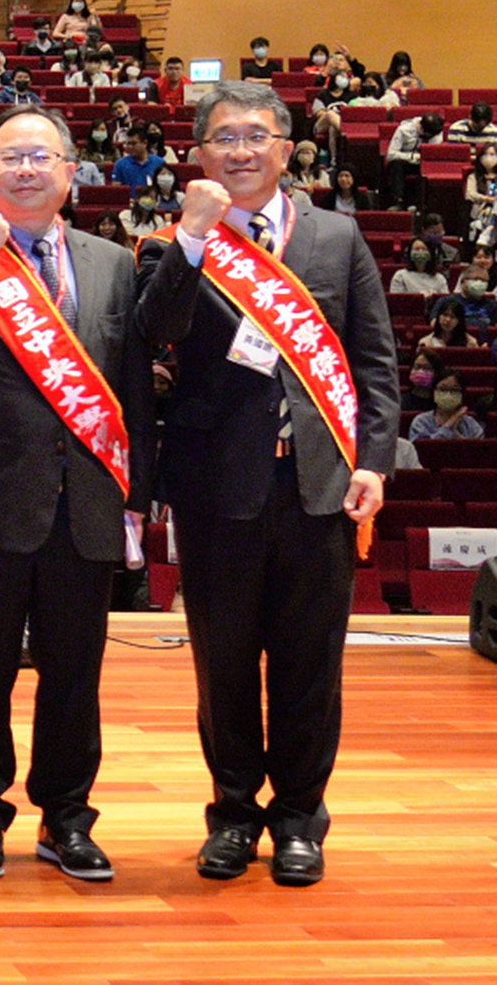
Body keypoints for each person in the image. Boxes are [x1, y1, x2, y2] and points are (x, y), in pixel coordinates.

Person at [134, 80, 396, 889]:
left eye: (255, 137)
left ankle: (298, 821)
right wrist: (194, 239)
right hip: (219, 486)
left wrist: (373, 461)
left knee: (310, 663)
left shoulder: (337, 236)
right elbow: (153, 332)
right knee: (224, 661)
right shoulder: (175, 240)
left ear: (286, 150)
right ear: (200, 156)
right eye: (223, 139)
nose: (240, 151)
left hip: (318, 487)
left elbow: (374, 362)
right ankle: (235, 814)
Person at [0, 104, 153, 884]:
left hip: (84, 502)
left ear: (70, 172)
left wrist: (137, 496)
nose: (24, 168)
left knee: (75, 671)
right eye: (8, 157)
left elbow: (132, 392)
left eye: (40, 156)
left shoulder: (113, 262)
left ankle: (67, 817)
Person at [408, 374, 483, 441]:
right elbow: (424, 449)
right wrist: (449, 424)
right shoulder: (421, 422)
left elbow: (477, 452)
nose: (448, 394)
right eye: (442, 389)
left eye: (454, 390)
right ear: (434, 392)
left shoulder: (471, 425)